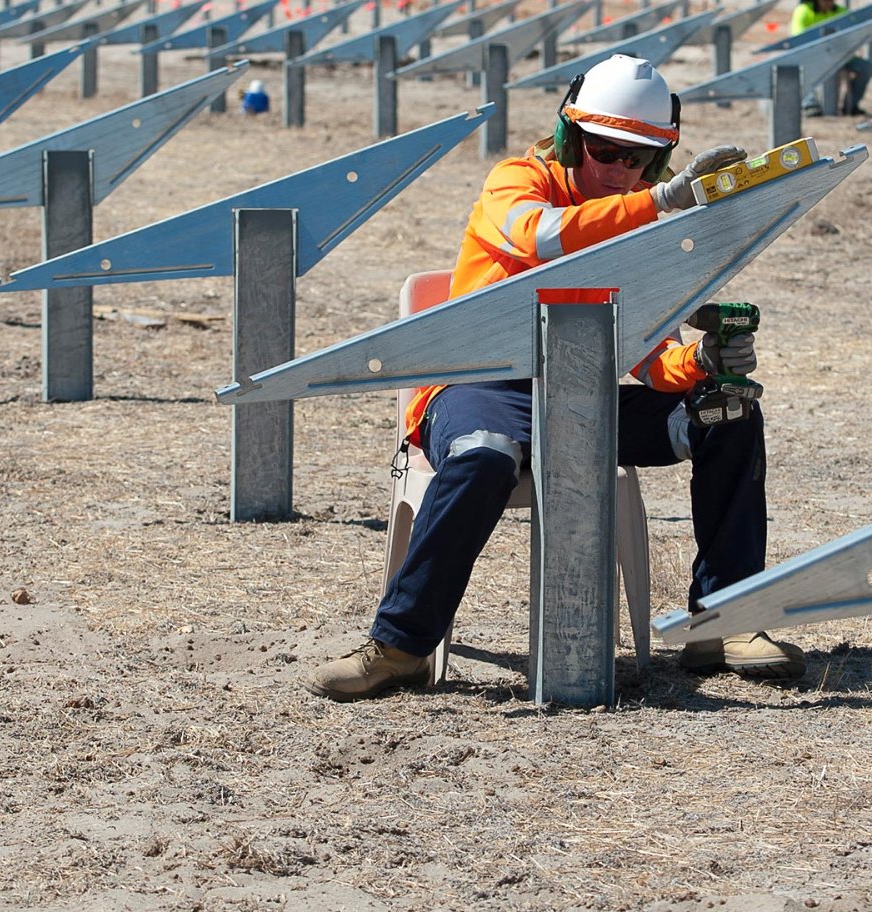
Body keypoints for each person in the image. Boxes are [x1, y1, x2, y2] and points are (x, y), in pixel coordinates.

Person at [307, 53, 806, 701]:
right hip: (482, 388)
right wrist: (660, 203)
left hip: (582, 403)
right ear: (572, 137)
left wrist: (705, 364)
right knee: (485, 456)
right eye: (604, 149)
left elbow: (653, 361)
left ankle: (724, 618)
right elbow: (541, 238)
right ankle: (400, 645)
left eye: (638, 159)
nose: (618, 169)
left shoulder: (638, 216)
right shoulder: (519, 182)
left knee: (729, 412)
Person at [790, 0, 872, 117]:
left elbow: (852, 35)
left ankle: (851, 105)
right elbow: (798, 39)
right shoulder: (803, 11)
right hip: (812, 56)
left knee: (865, 67)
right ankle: (810, 104)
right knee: (801, 68)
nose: (829, 1)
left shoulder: (841, 12)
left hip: (839, 56)